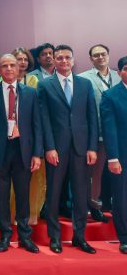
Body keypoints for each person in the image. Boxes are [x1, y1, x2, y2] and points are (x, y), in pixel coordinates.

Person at [38, 44, 98, 254]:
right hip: (57, 149)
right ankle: (54, 238)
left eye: (67, 58)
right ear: (53, 61)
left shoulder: (85, 84)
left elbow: (92, 116)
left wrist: (92, 147)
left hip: (81, 148)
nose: (64, 61)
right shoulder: (45, 86)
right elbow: (43, 120)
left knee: (81, 195)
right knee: (54, 194)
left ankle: (79, 237)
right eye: (59, 58)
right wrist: (49, 147)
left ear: (73, 60)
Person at [0, 54, 42, 254]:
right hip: (0, 152)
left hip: (23, 150)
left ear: (19, 68)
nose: (9, 68)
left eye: (12, 65)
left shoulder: (30, 93)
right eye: (4, 66)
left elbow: (37, 124)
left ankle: (25, 236)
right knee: (1, 197)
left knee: (22, 195)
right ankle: (5, 236)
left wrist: (37, 153)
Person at [78, 44, 120, 223]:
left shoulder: (120, 76)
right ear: (91, 59)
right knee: (94, 175)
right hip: (97, 135)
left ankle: (117, 207)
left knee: (119, 174)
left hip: (119, 135)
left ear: (109, 56)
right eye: (96, 55)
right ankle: (93, 207)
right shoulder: (82, 79)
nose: (100, 57)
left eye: (103, 54)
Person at [9, 47, 43, 225]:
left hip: (28, 138)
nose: (21, 62)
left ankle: (30, 216)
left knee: (31, 180)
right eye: (18, 59)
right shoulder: (3, 80)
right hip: (8, 140)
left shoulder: (34, 81)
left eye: (24, 59)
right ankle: (11, 215)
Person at [100, 56, 127, 254]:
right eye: (126, 68)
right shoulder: (110, 96)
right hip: (122, 156)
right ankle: (124, 237)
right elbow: (109, 130)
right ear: (119, 72)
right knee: (122, 197)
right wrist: (113, 158)